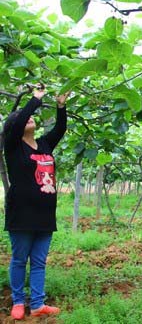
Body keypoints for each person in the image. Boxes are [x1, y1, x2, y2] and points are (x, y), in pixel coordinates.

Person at [3, 84, 70, 320]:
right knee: (20, 259)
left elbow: (60, 129)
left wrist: (61, 105)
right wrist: (35, 99)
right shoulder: (12, 146)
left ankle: (38, 303)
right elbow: (20, 121)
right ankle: (19, 302)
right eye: (22, 118)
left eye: (30, 116)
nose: (28, 118)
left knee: (39, 262)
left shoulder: (43, 144)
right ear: (15, 127)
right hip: (21, 213)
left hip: (44, 214)